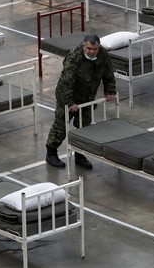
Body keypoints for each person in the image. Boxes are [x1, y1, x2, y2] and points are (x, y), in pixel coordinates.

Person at [45, 34, 116, 169]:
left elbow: (108, 73)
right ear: (84, 45)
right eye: (89, 48)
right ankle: (51, 153)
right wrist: (70, 102)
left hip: (87, 96)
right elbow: (66, 82)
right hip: (67, 96)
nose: (92, 51)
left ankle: (80, 154)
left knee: (84, 127)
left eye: (94, 49)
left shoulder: (102, 54)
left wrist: (110, 91)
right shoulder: (74, 58)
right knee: (61, 126)